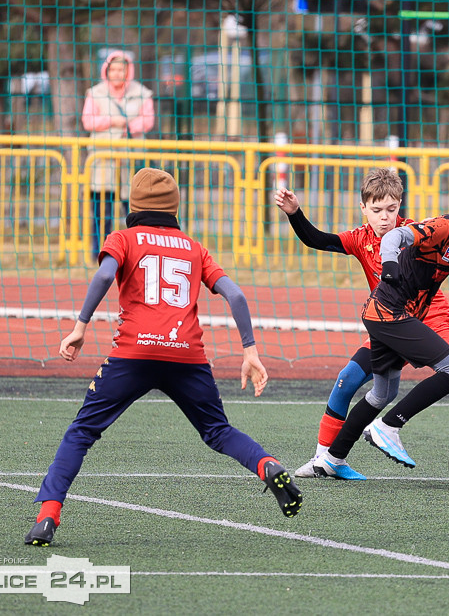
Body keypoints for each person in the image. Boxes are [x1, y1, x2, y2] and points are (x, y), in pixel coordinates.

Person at [25, 168, 300, 547]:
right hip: (186, 355)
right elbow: (235, 295)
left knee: (82, 431)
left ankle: (47, 516)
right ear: (174, 207)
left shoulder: (123, 238)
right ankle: (266, 464)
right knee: (218, 431)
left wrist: (80, 326)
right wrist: (249, 351)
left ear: (134, 204)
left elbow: (103, 277)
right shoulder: (193, 247)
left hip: (134, 353)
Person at [273, 168, 449, 480]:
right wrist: (295, 214)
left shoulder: (416, 230)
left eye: (391, 209)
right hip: (391, 319)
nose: (384, 217)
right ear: (364, 209)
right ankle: (325, 457)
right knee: (349, 379)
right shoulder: (359, 239)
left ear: (399, 207)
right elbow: (317, 240)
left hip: (432, 316)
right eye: (377, 210)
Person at [82, 50, 155, 257]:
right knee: (102, 211)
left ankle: (136, 252)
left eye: (121, 69)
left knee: (133, 209)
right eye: (112, 69)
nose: (116, 73)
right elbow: (88, 121)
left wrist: (128, 128)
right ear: (106, 70)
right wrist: (113, 121)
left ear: (128, 71)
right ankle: (100, 251)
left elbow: (148, 120)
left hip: (131, 160)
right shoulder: (95, 93)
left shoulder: (142, 93)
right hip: (102, 161)